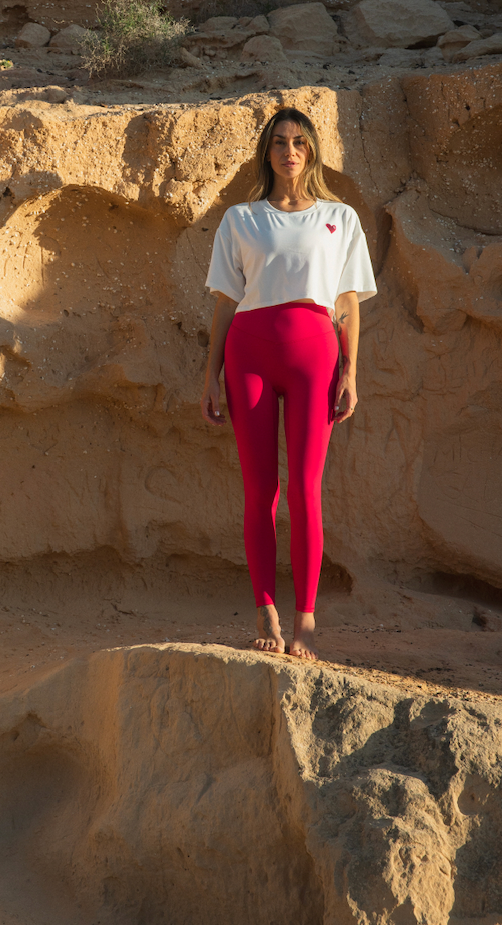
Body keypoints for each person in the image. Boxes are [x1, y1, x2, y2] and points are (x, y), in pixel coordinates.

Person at [200, 107, 376, 661]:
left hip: (314, 353)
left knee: (304, 489)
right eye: (279, 143)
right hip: (248, 351)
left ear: (313, 151)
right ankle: (264, 611)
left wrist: (351, 370)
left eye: (299, 142)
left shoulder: (340, 217)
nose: (289, 151)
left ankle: (305, 619)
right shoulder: (240, 219)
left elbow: (346, 303)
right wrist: (210, 374)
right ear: (266, 152)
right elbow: (227, 302)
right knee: (261, 491)